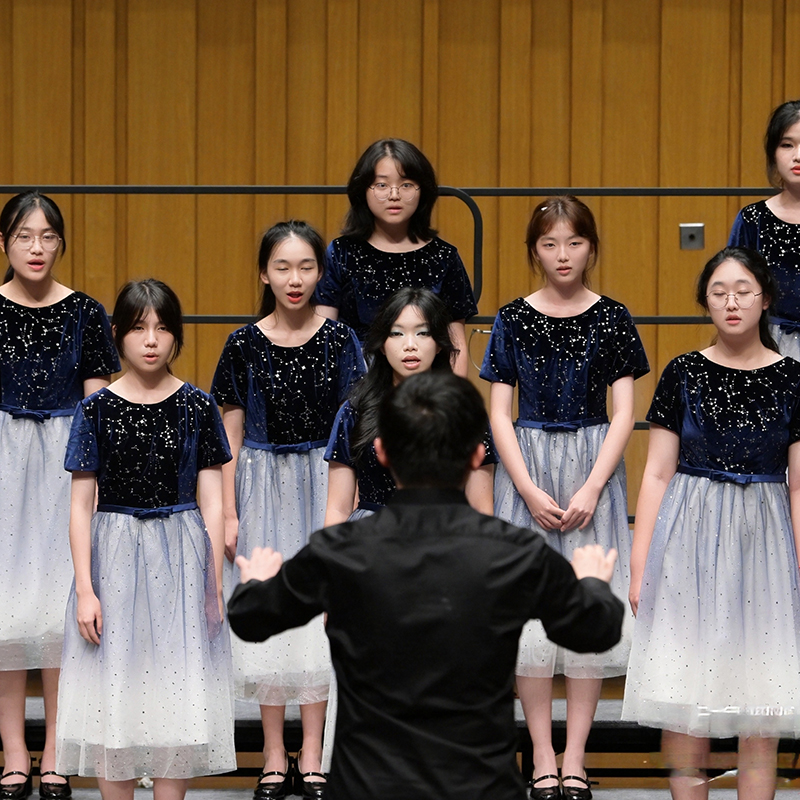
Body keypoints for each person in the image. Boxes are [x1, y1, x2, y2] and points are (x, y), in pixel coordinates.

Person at [228, 371, 624, 800]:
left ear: (380, 453)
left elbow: (251, 618)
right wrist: (594, 584)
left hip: (369, 787)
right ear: (476, 455)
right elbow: (595, 629)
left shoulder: (340, 551)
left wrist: (254, 581)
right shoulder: (515, 552)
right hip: (480, 787)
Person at [479, 196, 649, 800]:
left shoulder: (613, 317)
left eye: (573, 242)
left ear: (591, 247)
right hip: (525, 467)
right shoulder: (510, 318)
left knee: (584, 610)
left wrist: (594, 485)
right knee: (529, 623)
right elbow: (499, 412)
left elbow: (626, 410)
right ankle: (543, 755)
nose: (562, 255)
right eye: (549, 244)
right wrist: (523, 485)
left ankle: (576, 754)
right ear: (533, 251)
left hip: (591, 464)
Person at [623, 247, 800, 800]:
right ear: (705, 301)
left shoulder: (795, 376)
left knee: (760, 698)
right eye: (719, 291)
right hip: (688, 537)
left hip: (765, 535)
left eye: (743, 290)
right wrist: (639, 561)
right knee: (685, 696)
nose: (731, 301)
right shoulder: (682, 372)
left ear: (765, 299)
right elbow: (655, 474)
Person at [55, 280, 236, 800]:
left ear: (176, 337)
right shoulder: (94, 409)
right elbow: (79, 506)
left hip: (179, 553)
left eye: (162, 329)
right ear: (117, 337)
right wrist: (86, 589)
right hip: (114, 553)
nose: (151, 340)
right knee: (114, 685)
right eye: (138, 329)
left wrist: (214, 584)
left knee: (174, 688)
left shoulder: (198, 407)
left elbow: (214, 502)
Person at [210, 221, 366, 799]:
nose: (295, 279)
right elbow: (228, 430)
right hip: (261, 484)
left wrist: (345, 509)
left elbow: (355, 424)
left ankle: (313, 750)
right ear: (263, 274)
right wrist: (227, 510)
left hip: (322, 484)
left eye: (306, 267)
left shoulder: (342, 339)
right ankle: (274, 750)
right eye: (282, 267)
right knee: (272, 610)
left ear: (321, 272)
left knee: (322, 614)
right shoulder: (243, 343)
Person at [0, 191, 119, 800]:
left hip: (63, 466)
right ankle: (14, 748)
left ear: (61, 243)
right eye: (24, 236)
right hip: (4, 462)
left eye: (48, 236)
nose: (37, 248)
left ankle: (55, 749)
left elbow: (99, 407)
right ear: (5, 244)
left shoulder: (86, 313)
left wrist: (97, 479)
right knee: (8, 606)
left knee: (56, 601)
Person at [324, 286, 494, 525]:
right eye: (396, 333)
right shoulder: (355, 410)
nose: (410, 345)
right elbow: (338, 510)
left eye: (423, 333)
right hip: (372, 540)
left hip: (445, 533)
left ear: (439, 344)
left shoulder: (464, 412)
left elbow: (481, 509)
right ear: (382, 345)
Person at [314, 138, 477, 376]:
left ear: (423, 190)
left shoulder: (444, 256)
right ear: (363, 191)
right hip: (357, 385)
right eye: (381, 185)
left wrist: (451, 404)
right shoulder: (341, 252)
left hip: (425, 391)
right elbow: (325, 337)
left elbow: (455, 345)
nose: (394, 195)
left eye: (406, 185)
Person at [728, 99, 800, 359]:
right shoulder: (753, 219)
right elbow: (732, 289)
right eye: (786, 145)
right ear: (773, 152)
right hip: (767, 344)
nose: (797, 156)